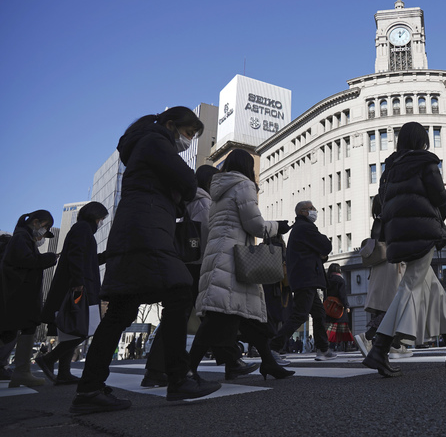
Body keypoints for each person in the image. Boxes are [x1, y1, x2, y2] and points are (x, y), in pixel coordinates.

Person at [70, 106, 220, 414]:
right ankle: (179, 379)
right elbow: (189, 183)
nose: (189, 141)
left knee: (121, 311)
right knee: (180, 291)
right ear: (170, 125)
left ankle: (89, 389)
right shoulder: (155, 141)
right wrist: (181, 191)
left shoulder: (144, 146)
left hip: (136, 231)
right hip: (147, 232)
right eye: (189, 133)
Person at [362, 121, 446, 377]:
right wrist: (439, 216)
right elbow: (440, 198)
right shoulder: (426, 161)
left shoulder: (389, 168)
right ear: (422, 140)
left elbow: (381, 203)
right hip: (422, 233)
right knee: (410, 286)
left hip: (398, 236)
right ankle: (378, 350)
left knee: (434, 290)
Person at [191, 149, 293, 381]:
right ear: (248, 166)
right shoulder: (244, 185)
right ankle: (188, 369)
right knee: (218, 318)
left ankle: (268, 362)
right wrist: (278, 226)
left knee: (251, 318)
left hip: (219, 255)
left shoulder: (217, 190)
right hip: (234, 259)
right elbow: (255, 225)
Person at [141, 164, 247, 387]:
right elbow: (207, 234)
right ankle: (225, 359)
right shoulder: (203, 201)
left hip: (185, 263)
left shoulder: (189, 200)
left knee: (189, 315)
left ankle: (227, 359)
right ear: (210, 182)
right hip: (197, 265)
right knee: (199, 315)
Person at [38, 201, 109, 385]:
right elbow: (76, 256)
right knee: (83, 329)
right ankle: (48, 359)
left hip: (77, 286)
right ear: (95, 215)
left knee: (72, 330)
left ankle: (63, 373)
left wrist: (107, 255)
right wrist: (78, 283)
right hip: (79, 288)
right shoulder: (82, 229)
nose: (100, 222)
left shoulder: (80, 229)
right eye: (101, 218)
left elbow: (88, 259)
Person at [269, 201, 337, 362]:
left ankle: (323, 348)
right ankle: (273, 348)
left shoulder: (299, 228)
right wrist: (324, 244)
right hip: (306, 278)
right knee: (299, 315)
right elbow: (325, 246)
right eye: (312, 208)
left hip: (305, 278)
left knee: (319, 314)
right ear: (303, 211)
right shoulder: (305, 228)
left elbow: (320, 252)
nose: (315, 211)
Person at [0, 210, 58, 388]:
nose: (43, 234)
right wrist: (48, 258)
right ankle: (22, 372)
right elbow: (26, 261)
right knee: (16, 330)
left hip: (21, 295)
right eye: (45, 227)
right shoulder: (21, 237)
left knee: (17, 330)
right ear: (36, 222)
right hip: (19, 295)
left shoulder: (22, 237)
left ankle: (22, 371)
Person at [354, 196, 412, 359]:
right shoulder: (388, 220)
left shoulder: (379, 220)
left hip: (382, 267)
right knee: (393, 305)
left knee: (389, 305)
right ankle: (369, 336)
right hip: (391, 265)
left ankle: (393, 344)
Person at [324, 263, 353, 351]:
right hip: (339, 306)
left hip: (329, 306)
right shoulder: (340, 280)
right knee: (343, 327)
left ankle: (329, 346)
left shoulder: (327, 279)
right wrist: (346, 306)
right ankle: (346, 346)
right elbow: (342, 294)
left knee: (329, 328)